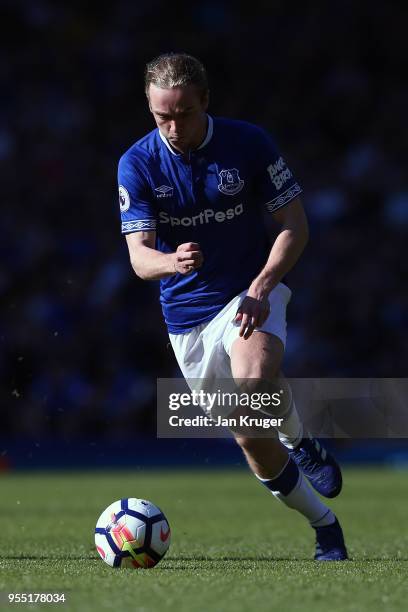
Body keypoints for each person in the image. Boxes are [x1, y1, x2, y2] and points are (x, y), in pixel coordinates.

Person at [118, 52, 347, 560]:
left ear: (205, 101)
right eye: (162, 117)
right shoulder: (136, 163)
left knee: (253, 385)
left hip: (248, 292)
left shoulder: (248, 143)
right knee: (249, 436)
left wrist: (263, 286)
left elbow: (295, 225)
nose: (173, 127)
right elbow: (138, 258)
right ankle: (323, 519)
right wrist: (170, 260)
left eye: (183, 114)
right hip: (186, 319)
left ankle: (300, 447)